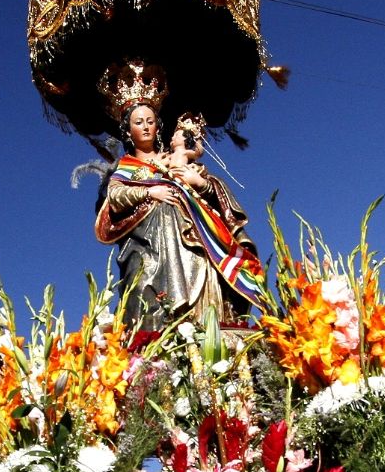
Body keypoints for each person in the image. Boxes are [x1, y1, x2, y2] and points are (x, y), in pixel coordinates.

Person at [94, 59, 267, 328]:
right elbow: (115, 197)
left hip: (197, 241)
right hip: (153, 247)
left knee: (206, 272)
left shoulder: (175, 161)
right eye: (139, 122)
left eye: (150, 121)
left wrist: (201, 184)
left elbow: (215, 192)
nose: (146, 126)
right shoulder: (128, 167)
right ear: (128, 130)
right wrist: (152, 193)